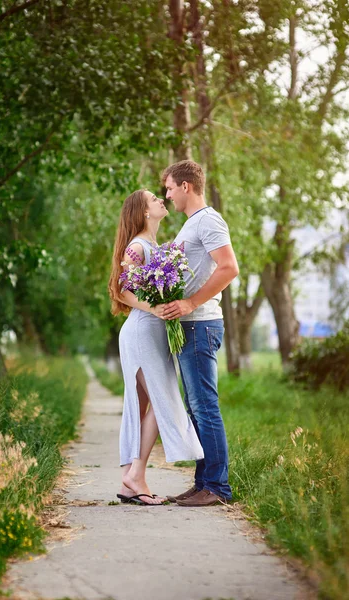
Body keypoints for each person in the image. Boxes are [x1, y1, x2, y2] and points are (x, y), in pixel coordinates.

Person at [108, 189, 204, 506]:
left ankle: (129, 481)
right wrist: (154, 309)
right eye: (153, 199)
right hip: (142, 331)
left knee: (144, 405)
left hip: (150, 332)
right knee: (162, 401)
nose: (161, 200)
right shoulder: (138, 246)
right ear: (143, 211)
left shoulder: (154, 247)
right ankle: (136, 475)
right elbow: (121, 290)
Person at [162, 160, 239, 506]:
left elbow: (229, 267)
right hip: (190, 326)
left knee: (205, 407)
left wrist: (191, 302)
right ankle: (203, 482)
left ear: (186, 186)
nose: (167, 195)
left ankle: (218, 488)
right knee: (196, 409)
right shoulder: (191, 225)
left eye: (169, 188)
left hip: (202, 323)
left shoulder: (208, 220)